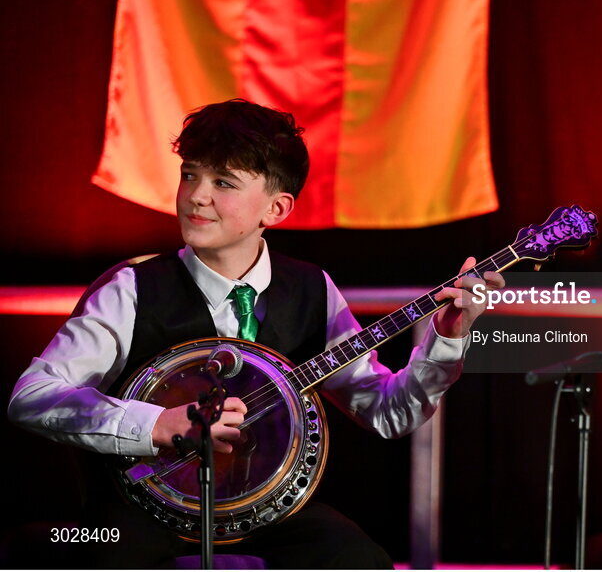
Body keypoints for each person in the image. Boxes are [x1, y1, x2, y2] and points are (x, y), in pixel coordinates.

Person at [7, 99, 504, 568]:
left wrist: (447, 338)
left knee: (360, 561)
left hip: (267, 516)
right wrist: (155, 423)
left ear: (277, 209)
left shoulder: (312, 289)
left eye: (223, 182)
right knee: (91, 556)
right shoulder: (131, 289)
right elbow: (32, 398)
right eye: (190, 175)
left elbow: (386, 412)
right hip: (137, 511)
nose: (197, 195)